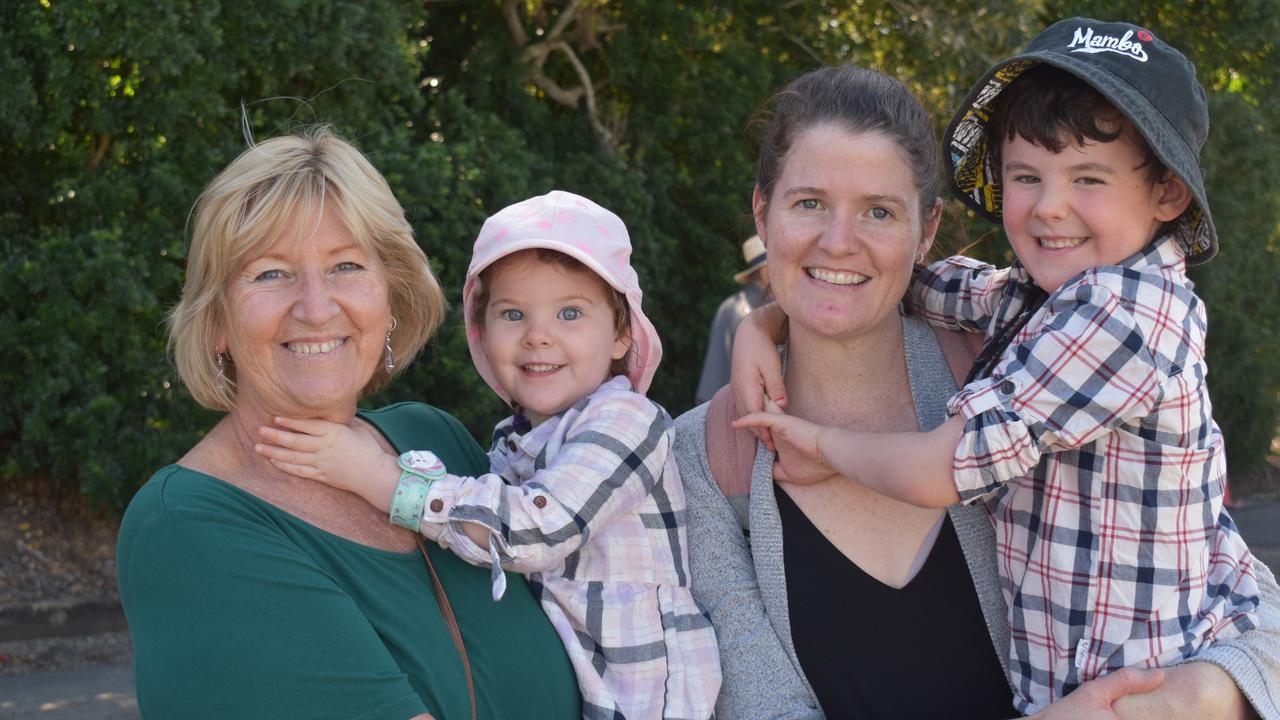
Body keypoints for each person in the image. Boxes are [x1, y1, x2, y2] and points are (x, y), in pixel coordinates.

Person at [672, 63, 1280, 720]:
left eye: (879, 211)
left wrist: (1188, 699)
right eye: (809, 203)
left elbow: (1237, 594)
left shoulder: (1020, 360)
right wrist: (763, 319)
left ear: (925, 229)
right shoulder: (706, 457)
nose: (839, 240)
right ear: (763, 213)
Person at [115, 127, 582, 719]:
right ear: (216, 323)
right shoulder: (185, 526)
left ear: (390, 298)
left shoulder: (434, 442)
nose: (316, 307)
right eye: (270, 273)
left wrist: (742, 344)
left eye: (345, 266)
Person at [254, 190, 721, 720]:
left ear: (619, 334)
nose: (538, 336)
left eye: (570, 313)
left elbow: (536, 529)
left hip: (644, 696)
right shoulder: (512, 442)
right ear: (481, 331)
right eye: (513, 313)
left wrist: (383, 479)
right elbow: (474, 527)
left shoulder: (629, 422)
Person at [694, 235, 769, 404]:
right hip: (737, 410)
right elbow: (716, 369)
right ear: (764, 270)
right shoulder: (735, 309)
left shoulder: (780, 307)